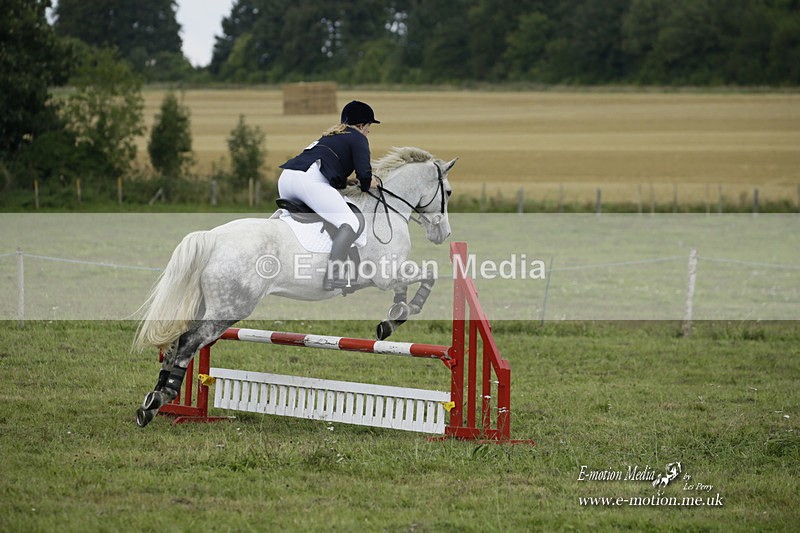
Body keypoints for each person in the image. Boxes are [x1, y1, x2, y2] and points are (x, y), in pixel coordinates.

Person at [278, 100, 380, 290]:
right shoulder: (358, 138)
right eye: (368, 126)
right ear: (360, 125)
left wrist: (345, 181)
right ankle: (334, 276)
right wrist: (370, 183)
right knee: (350, 222)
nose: (369, 130)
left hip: (286, 179)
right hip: (308, 181)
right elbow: (365, 176)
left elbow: (326, 165)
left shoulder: (331, 135)